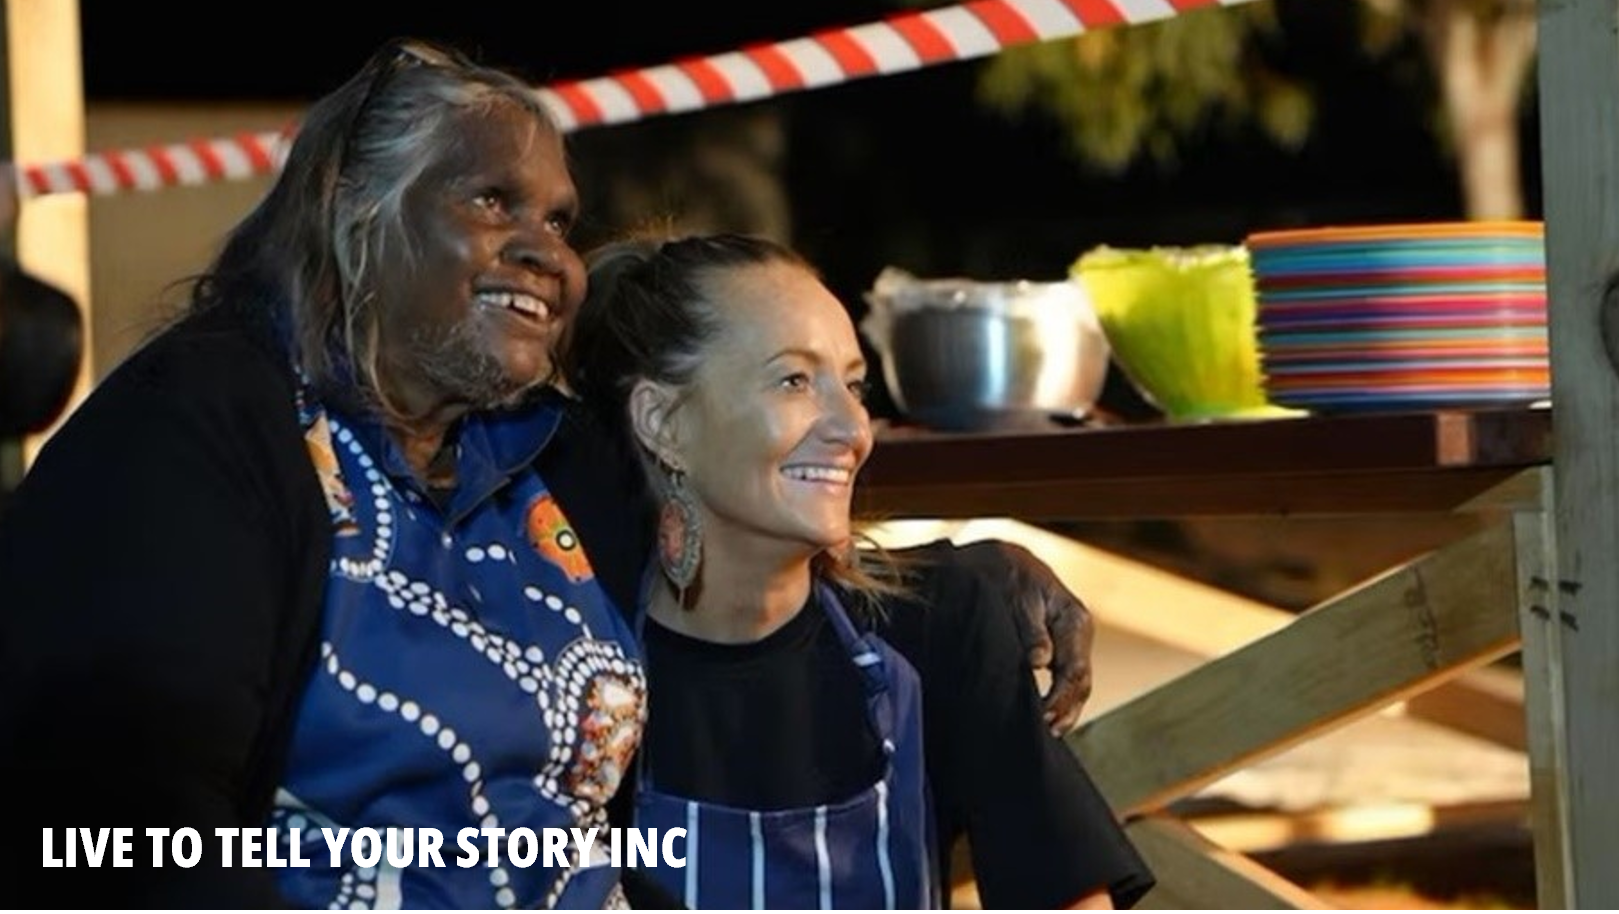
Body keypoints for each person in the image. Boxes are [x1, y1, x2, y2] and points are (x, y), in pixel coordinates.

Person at [0, 38, 1100, 909]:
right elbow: (115, 831)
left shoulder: (532, 451)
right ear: (352, 210)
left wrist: (971, 579)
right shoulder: (201, 436)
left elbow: (739, 518)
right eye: (490, 203)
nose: (545, 250)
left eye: (559, 221)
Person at [564, 232, 1154, 910]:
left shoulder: (937, 625)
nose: (853, 428)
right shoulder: (573, 667)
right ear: (663, 422)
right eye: (793, 380)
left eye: (852, 384)